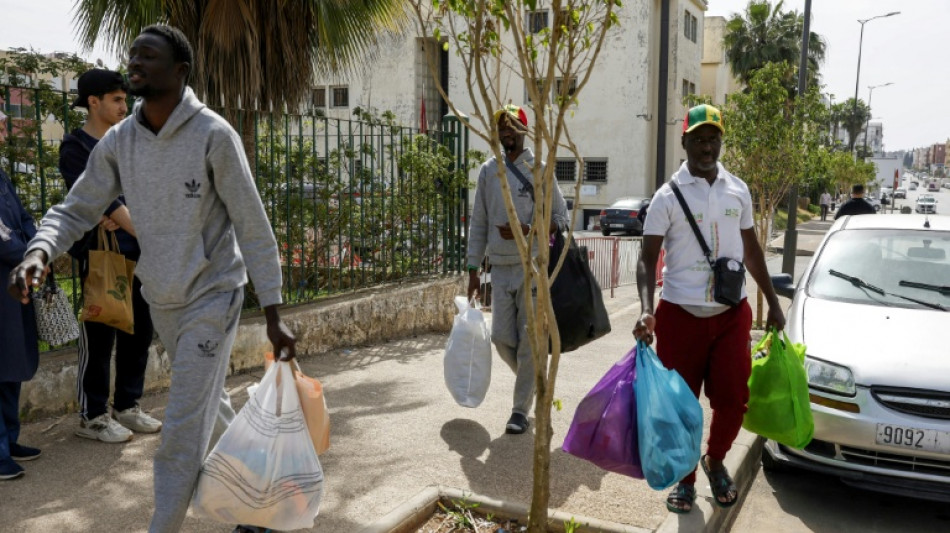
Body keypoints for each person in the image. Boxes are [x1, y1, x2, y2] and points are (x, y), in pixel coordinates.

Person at [6, 25, 295, 533]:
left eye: (147, 55)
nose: (134, 62)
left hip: (213, 294)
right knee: (210, 407)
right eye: (132, 54)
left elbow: (252, 225)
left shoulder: (213, 135)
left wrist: (272, 310)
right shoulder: (121, 141)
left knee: (182, 428)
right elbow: (76, 208)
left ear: (180, 70)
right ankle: (261, 498)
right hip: (162, 297)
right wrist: (39, 250)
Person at [633, 104, 785, 514]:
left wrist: (772, 300)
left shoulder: (738, 189)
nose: (706, 146)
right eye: (698, 138)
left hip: (731, 315)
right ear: (683, 142)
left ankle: (715, 460)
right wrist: (648, 310)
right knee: (681, 404)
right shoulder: (667, 196)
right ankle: (684, 479)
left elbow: (751, 250)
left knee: (734, 399)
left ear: (721, 141)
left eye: (713, 138)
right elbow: (647, 259)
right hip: (680, 315)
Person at [60, 68, 160, 443]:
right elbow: (98, 200)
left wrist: (120, 210)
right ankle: (93, 415)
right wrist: (118, 211)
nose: (125, 105)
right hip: (101, 256)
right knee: (99, 337)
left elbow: (142, 194)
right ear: (93, 102)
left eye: (125, 98)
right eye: (117, 99)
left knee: (140, 333)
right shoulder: (75, 147)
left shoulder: (131, 144)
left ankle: (127, 406)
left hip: (139, 255)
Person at [465, 104, 569, 435]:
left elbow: (560, 219)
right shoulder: (487, 171)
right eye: (502, 127)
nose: (507, 132)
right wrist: (471, 270)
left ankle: (519, 410)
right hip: (500, 268)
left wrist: (528, 230)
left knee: (528, 341)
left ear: (524, 131)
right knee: (500, 338)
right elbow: (478, 221)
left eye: (513, 126)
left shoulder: (540, 169)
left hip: (532, 268)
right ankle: (535, 379)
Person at [0, 169, 43, 480]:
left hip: (14, 278)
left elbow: (25, 217)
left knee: (11, 363)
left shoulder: (1, 173)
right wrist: (28, 253)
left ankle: (9, 440)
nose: (3, 129)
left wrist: (36, 248)